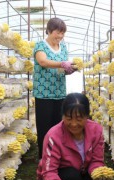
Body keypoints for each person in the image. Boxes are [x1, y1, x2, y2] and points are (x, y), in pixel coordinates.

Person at [36, 93, 111, 180]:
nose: (74, 124)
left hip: (82, 173)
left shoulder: (96, 130)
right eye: (69, 118)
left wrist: (97, 174)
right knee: (72, 177)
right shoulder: (53, 136)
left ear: (87, 116)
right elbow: (49, 170)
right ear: (62, 116)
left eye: (79, 119)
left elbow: (97, 160)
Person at [33, 17, 77, 159]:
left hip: (59, 92)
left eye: (63, 33)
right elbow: (43, 61)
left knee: (58, 128)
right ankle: (43, 160)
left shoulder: (63, 47)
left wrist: (69, 69)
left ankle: (56, 158)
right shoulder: (40, 45)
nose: (60, 36)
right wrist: (61, 64)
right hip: (44, 94)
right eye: (58, 32)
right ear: (50, 31)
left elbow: (62, 68)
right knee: (44, 128)